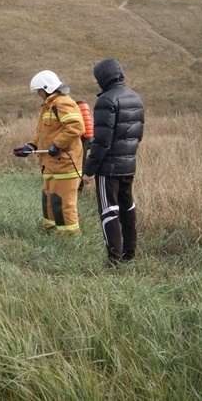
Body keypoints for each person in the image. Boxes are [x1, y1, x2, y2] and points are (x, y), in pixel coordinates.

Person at [81, 58, 144, 265]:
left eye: (97, 78)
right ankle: (129, 254)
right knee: (128, 208)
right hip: (129, 164)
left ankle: (114, 260)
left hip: (108, 169)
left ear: (103, 77)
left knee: (109, 211)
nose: (96, 82)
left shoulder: (105, 101)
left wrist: (89, 170)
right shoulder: (136, 97)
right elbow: (138, 135)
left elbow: (101, 142)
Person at [13, 70, 86, 234]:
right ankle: (51, 231)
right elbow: (42, 133)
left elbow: (76, 127)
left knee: (64, 203)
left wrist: (57, 145)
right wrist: (30, 147)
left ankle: (69, 238)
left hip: (65, 164)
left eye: (39, 90)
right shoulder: (48, 106)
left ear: (47, 88)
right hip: (51, 164)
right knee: (49, 200)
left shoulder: (63, 103)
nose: (38, 94)